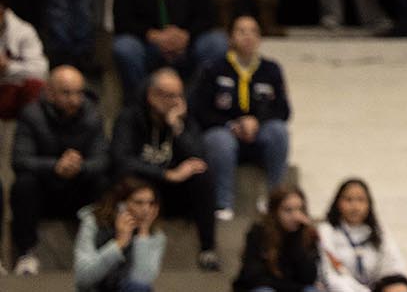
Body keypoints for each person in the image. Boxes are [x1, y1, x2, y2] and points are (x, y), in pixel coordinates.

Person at [110, 68, 218, 270]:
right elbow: (121, 159)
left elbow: (198, 158)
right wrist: (166, 174)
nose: (176, 102)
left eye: (179, 96)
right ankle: (126, 247)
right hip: (145, 186)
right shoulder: (130, 117)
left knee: (203, 176)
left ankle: (207, 249)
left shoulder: (184, 120)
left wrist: (177, 128)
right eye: (169, 96)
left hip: (173, 194)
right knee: (126, 178)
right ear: (152, 96)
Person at [11, 64, 109, 274]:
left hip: (78, 190)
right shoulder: (32, 115)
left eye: (78, 93)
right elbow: (20, 160)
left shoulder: (92, 116)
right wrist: (55, 166)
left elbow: (103, 159)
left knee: (102, 182)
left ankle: (97, 251)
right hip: (45, 191)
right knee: (24, 184)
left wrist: (79, 167)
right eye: (66, 93)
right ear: (49, 93)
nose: (74, 100)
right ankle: (26, 254)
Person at [193, 15, 292, 220]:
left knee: (278, 131)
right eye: (241, 31)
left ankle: (274, 198)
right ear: (230, 37)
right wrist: (232, 125)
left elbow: (283, 110)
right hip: (225, 133)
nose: (248, 36)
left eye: (253, 31)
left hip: (258, 134)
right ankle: (223, 203)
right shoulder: (213, 69)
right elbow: (200, 110)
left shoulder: (271, 69)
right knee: (218, 139)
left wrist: (257, 122)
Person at [75, 176, 165, 292]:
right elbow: (83, 278)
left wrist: (143, 235)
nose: (146, 209)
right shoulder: (93, 224)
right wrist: (119, 243)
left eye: (151, 203)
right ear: (120, 205)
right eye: (138, 203)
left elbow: (143, 280)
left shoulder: (155, 235)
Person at [317, 178, 407, 292]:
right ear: (338, 203)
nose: (355, 206)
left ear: (369, 204)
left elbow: (394, 265)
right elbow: (332, 275)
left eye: (361, 200)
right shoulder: (327, 231)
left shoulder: (378, 231)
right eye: (348, 200)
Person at [237, 184, 322, 292]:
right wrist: (296, 287)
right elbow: (253, 278)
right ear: (275, 211)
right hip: (265, 287)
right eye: (288, 210)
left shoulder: (306, 233)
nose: (296, 216)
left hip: (292, 287)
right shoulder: (259, 232)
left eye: (300, 209)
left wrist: (297, 237)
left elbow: (308, 278)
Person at [0, 0, 50, 116]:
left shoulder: (24, 31)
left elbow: (40, 70)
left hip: (11, 89)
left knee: (34, 86)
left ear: (3, 10)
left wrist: (7, 67)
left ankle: (29, 126)